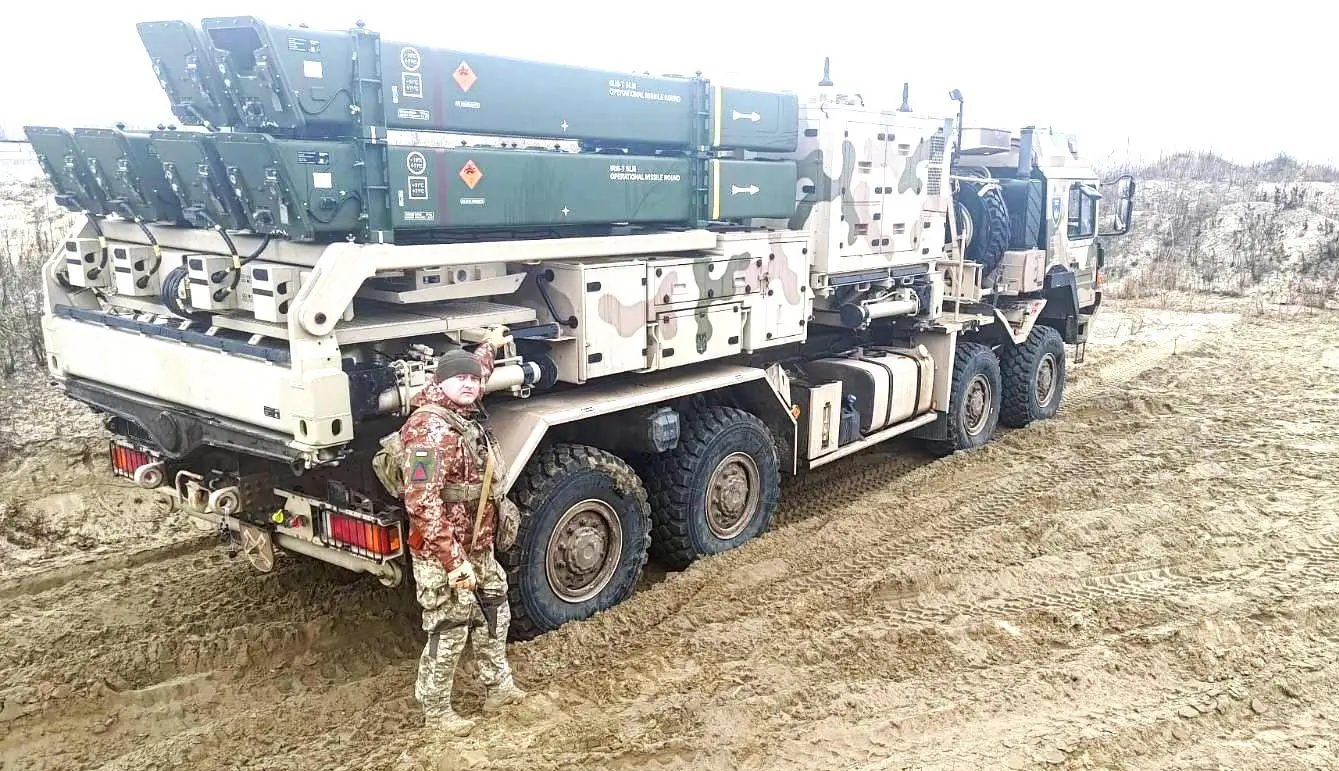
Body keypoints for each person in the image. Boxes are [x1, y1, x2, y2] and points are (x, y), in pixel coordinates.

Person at [400, 326, 526, 735]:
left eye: (474, 380)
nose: (471, 384)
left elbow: (478, 370)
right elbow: (421, 501)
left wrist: (489, 344)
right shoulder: (428, 432)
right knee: (449, 629)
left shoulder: (461, 407)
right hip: (444, 556)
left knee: (494, 613)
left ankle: (498, 688)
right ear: (440, 383)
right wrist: (453, 562)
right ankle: (436, 713)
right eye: (461, 379)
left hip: (478, 547)